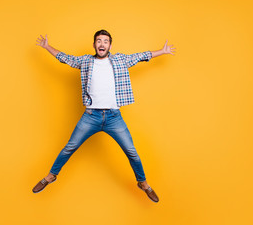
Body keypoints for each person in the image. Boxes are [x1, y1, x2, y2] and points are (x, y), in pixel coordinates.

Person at [33, 30, 176, 203]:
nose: (102, 44)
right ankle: (51, 176)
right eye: (99, 41)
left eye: (105, 41)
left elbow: (141, 56)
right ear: (94, 45)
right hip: (91, 116)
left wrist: (162, 51)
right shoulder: (86, 61)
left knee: (132, 152)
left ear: (110, 46)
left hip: (114, 117)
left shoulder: (120, 60)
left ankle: (143, 183)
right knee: (69, 147)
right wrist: (47, 46)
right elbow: (65, 58)